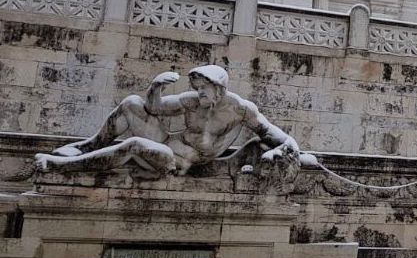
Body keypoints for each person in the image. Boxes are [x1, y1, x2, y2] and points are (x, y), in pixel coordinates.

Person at [34, 65, 300, 179]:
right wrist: (155, 87)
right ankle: (86, 147)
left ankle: (61, 166)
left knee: (135, 144)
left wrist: (282, 151)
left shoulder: (241, 110)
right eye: (197, 88)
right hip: (166, 145)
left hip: (180, 161)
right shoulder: (192, 100)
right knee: (131, 104)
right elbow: (154, 108)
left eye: (203, 88)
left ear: (218, 88)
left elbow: (282, 139)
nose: (199, 93)